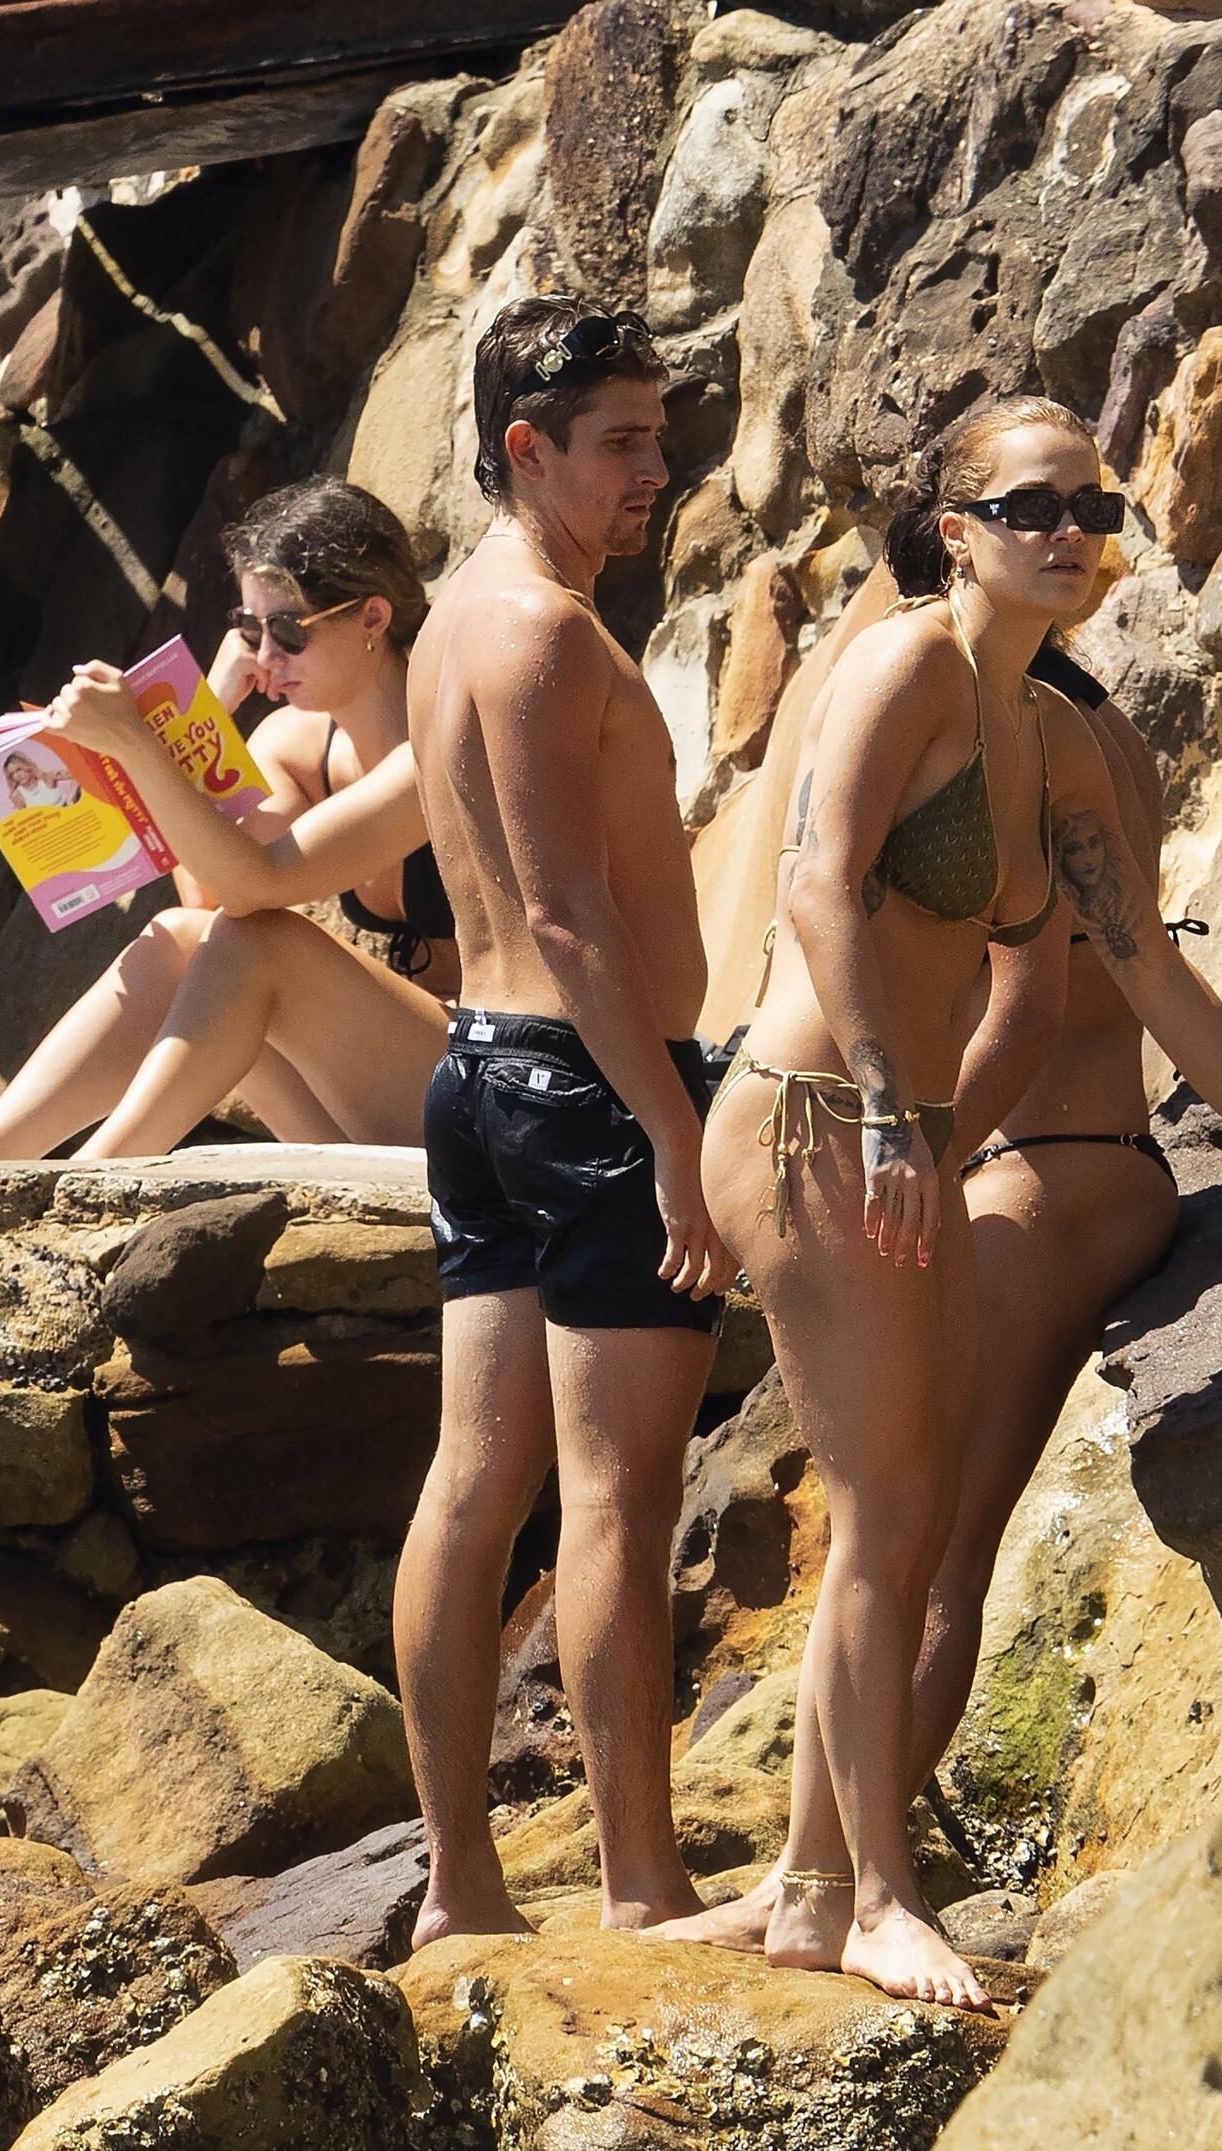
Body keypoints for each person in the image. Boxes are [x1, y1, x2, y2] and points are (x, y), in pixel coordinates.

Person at [657, 396, 1222, 2005]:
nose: (1076, 532)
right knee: (893, 1517)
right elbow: (817, 884)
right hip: (815, 1113)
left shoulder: (1056, 735)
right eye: (1037, 506)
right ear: (957, 531)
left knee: (900, 1519)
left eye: (1096, 506)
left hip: (903, 1130)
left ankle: (815, 1889)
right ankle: (876, 1892)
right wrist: (897, 1105)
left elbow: (1144, 963)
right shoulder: (904, 668)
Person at [394, 296, 737, 1946]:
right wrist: (675, 1133)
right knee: (616, 1494)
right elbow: (568, 909)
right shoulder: (537, 629)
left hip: (483, 1069)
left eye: (660, 437)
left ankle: (460, 1884)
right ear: (525, 448)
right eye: (622, 442)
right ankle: (640, 1883)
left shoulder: (450, 620)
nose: (655, 471)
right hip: (588, 1083)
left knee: (476, 1479)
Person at [0, 478, 454, 1162]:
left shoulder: (440, 740)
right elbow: (212, 899)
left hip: (495, 1091)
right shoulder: (294, 745)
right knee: (185, 942)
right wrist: (205, 713)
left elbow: (252, 890)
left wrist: (138, 745)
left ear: (372, 618)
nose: (265, 657)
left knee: (262, 945)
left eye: (288, 631)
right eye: (250, 629)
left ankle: (87, 1186)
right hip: (390, 1092)